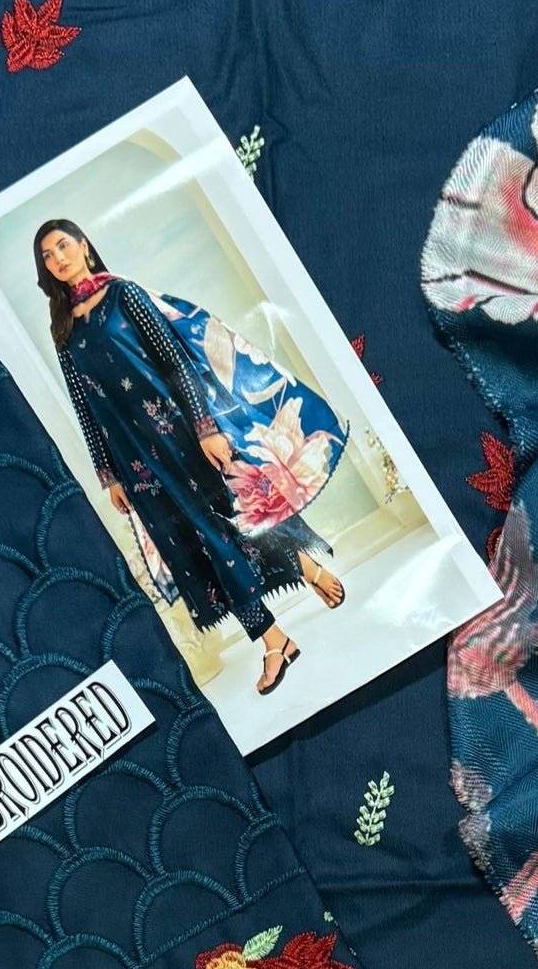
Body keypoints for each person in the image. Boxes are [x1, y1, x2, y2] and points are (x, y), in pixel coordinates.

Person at [35, 220, 347, 695]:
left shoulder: (123, 294)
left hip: (180, 433)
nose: (58, 258)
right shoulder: (63, 329)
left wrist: (205, 427)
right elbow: (84, 408)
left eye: (63, 245)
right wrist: (108, 475)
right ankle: (273, 639)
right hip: (137, 460)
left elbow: (174, 358)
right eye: (48, 256)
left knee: (235, 516)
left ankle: (304, 569)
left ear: (83, 246)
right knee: (198, 546)